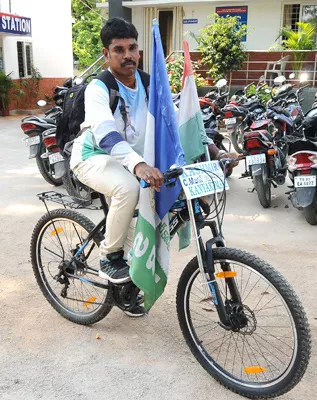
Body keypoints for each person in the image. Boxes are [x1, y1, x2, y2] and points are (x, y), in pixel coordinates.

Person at [69, 18, 237, 311]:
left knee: (152, 213)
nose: (127, 55)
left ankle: (131, 282)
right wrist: (139, 166)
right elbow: (106, 134)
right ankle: (109, 256)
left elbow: (176, 125)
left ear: (140, 50)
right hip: (94, 157)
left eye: (132, 48)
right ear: (106, 54)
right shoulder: (99, 88)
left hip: (135, 161)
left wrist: (215, 151)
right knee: (128, 188)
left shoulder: (149, 83)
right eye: (118, 50)